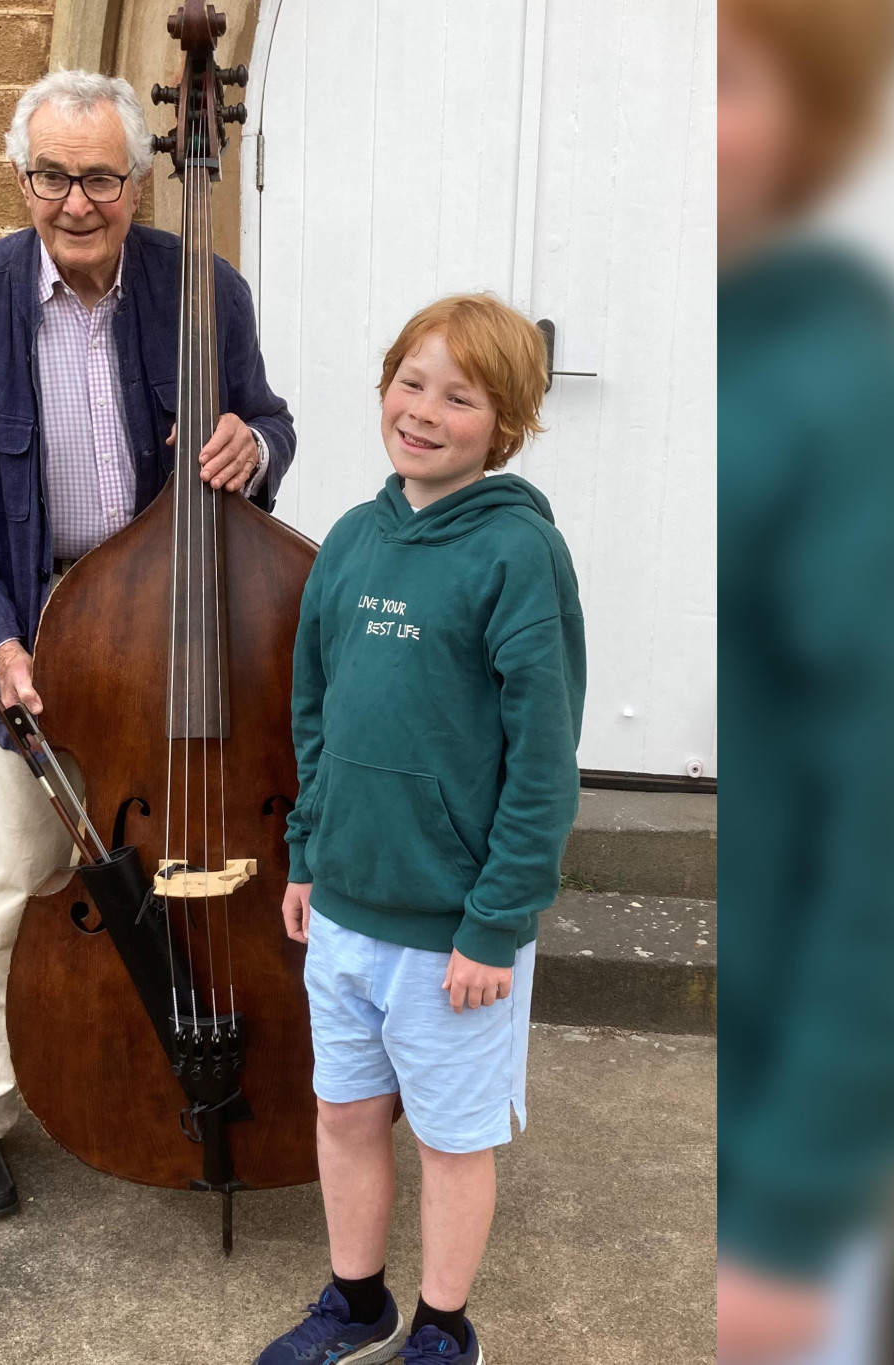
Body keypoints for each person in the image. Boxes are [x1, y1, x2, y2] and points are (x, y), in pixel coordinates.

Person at [0, 69, 296, 1222]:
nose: (76, 202)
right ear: (23, 178)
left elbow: (267, 421)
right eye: (52, 177)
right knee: (17, 887)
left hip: (177, 629)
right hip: (42, 637)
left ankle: (201, 1081)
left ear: (140, 179)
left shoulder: (202, 287)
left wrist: (249, 448)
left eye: (101, 178)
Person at [717, 0, 894, 1361]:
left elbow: (893, 829)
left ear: (809, 121)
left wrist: (792, 1218)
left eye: (726, 83)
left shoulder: (845, 391)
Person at [256, 295, 584, 1365]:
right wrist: (307, 854)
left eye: (459, 395)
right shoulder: (348, 541)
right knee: (344, 1117)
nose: (424, 410)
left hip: (453, 936)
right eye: (410, 381)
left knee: (451, 1140)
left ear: (505, 426)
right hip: (343, 912)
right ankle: (355, 1301)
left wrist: (496, 922)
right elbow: (314, 709)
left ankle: (443, 1327)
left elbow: (540, 762)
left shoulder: (515, 555)